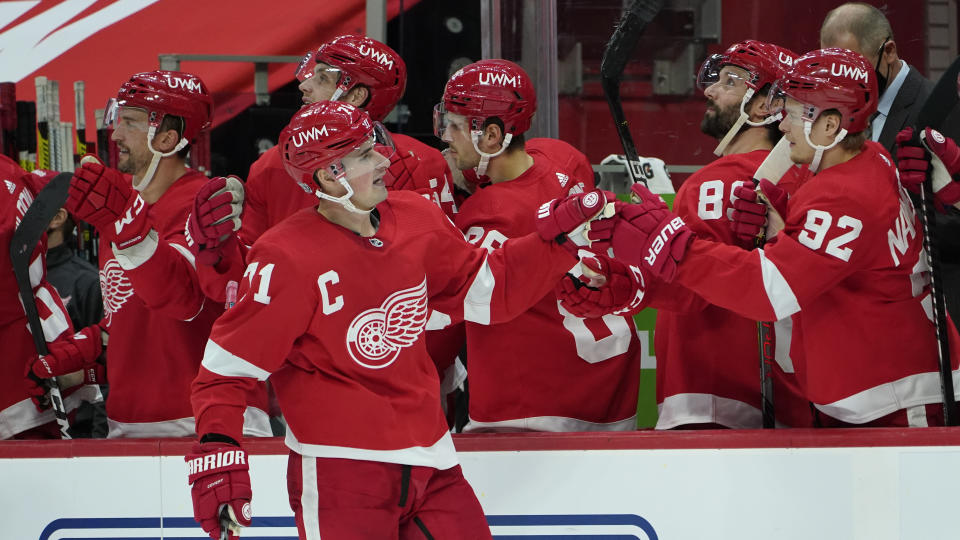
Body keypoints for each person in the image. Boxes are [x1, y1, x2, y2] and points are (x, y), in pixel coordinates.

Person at [184, 100, 609, 539]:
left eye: (376, 146)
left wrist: (557, 239)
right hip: (341, 470)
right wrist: (219, 451)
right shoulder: (285, 257)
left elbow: (489, 290)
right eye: (366, 156)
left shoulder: (416, 218)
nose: (384, 159)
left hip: (433, 462)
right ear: (331, 175)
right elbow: (225, 371)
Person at [594, 48, 960, 427]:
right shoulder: (870, 157)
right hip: (889, 388)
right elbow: (854, 261)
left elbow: (769, 291)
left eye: (797, 111)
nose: (783, 124)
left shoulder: (842, 194)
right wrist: (784, 223)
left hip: (898, 401)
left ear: (831, 126)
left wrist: (672, 244)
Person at [562, 41, 811, 429]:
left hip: (709, 396)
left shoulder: (711, 182)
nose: (710, 90)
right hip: (795, 399)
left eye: (730, 82)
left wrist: (637, 267)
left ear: (766, 106)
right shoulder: (810, 181)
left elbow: (689, 290)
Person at [433, 59, 642, 432]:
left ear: (492, 137)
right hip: (610, 390)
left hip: (529, 406)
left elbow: (461, 299)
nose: (445, 136)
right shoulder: (564, 158)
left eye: (454, 126)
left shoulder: (488, 214)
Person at [63, 70, 270, 438]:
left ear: (167, 137)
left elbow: (183, 300)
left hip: (208, 421)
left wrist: (127, 228)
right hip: (128, 420)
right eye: (117, 118)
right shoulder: (115, 203)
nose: (115, 133)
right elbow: (129, 308)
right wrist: (87, 354)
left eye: (129, 122)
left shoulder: (210, 206)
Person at [1, 155, 101, 439]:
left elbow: (108, 363)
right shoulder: (28, 280)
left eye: (33, 202)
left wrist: (99, 442)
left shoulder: (85, 281)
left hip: (50, 420)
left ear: (56, 217)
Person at [820, 2, 931, 154]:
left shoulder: (934, 107)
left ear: (889, 51)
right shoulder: (831, 112)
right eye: (834, 70)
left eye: (852, 68)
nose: (844, 82)